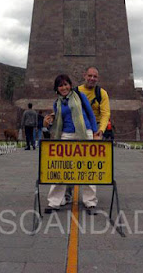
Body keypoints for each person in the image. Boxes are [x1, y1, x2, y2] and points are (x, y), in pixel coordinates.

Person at [43, 74, 98, 213]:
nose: (64, 87)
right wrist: (48, 123)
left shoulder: (80, 96)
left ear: (70, 84)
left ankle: (90, 201)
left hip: (84, 133)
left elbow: (91, 114)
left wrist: (96, 133)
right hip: (66, 135)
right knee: (61, 168)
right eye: (60, 85)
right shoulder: (57, 103)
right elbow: (57, 122)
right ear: (57, 89)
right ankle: (54, 202)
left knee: (87, 168)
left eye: (66, 84)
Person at [78, 66, 110, 139]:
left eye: (95, 76)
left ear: (97, 79)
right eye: (89, 76)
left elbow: (105, 114)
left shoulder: (102, 93)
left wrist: (101, 130)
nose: (92, 78)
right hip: (79, 126)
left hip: (96, 126)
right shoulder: (76, 92)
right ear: (84, 76)